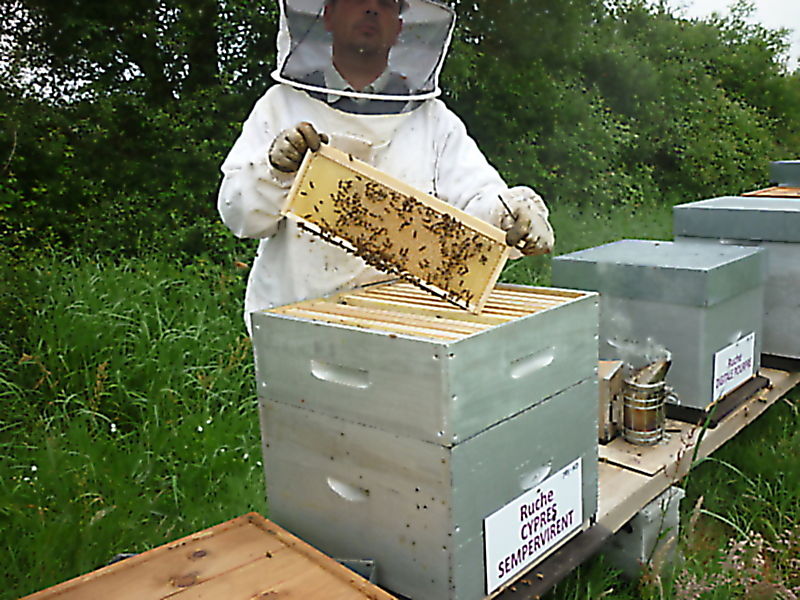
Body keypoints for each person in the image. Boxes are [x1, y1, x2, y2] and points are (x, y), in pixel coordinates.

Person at [218, 0, 554, 332]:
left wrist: (515, 212)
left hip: (403, 326)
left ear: (399, 26)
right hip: (297, 324)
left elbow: (478, 200)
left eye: (386, 3)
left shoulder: (433, 121)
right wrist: (276, 169)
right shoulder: (281, 105)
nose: (371, 9)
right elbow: (240, 215)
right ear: (329, 14)